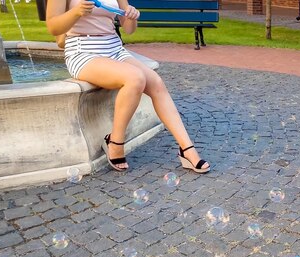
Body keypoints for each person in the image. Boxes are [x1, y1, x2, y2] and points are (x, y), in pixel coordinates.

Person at [45, 0, 210, 173]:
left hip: (114, 48)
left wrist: (132, 15)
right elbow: (53, 27)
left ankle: (187, 149)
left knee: (156, 83)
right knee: (135, 78)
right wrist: (76, 12)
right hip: (82, 52)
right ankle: (115, 142)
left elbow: (129, 29)